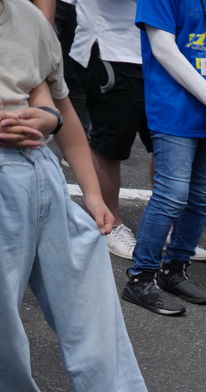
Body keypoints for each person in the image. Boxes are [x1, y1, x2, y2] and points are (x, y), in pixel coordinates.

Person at [2, 0, 201, 392]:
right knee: (4, 329)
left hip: (41, 174)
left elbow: (57, 104)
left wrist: (92, 194)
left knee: (93, 312)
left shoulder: (27, 18)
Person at [120, 0, 206, 316]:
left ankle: (175, 268)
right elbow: (163, 49)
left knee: (201, 195)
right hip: (177, 106)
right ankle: (141, 277)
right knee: (172, 195)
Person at [66, 0, 148, 257]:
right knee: (110, 144)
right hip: (113, 48)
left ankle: (164, 225)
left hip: (163, 47)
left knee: (167, 141)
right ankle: (110, 223)